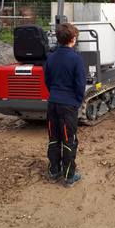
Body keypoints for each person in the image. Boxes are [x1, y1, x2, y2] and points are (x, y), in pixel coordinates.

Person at [44, 23, 87, 188]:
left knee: (54, 139)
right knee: (69, 140)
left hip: (52, 103)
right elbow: (80, 85)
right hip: (68, 106)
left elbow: (47, 80)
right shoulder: (76, 59)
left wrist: (55, 94)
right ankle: (70, 176)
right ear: (73, 39)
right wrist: (76, 102)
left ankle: (54, 172)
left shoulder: (51, 58)